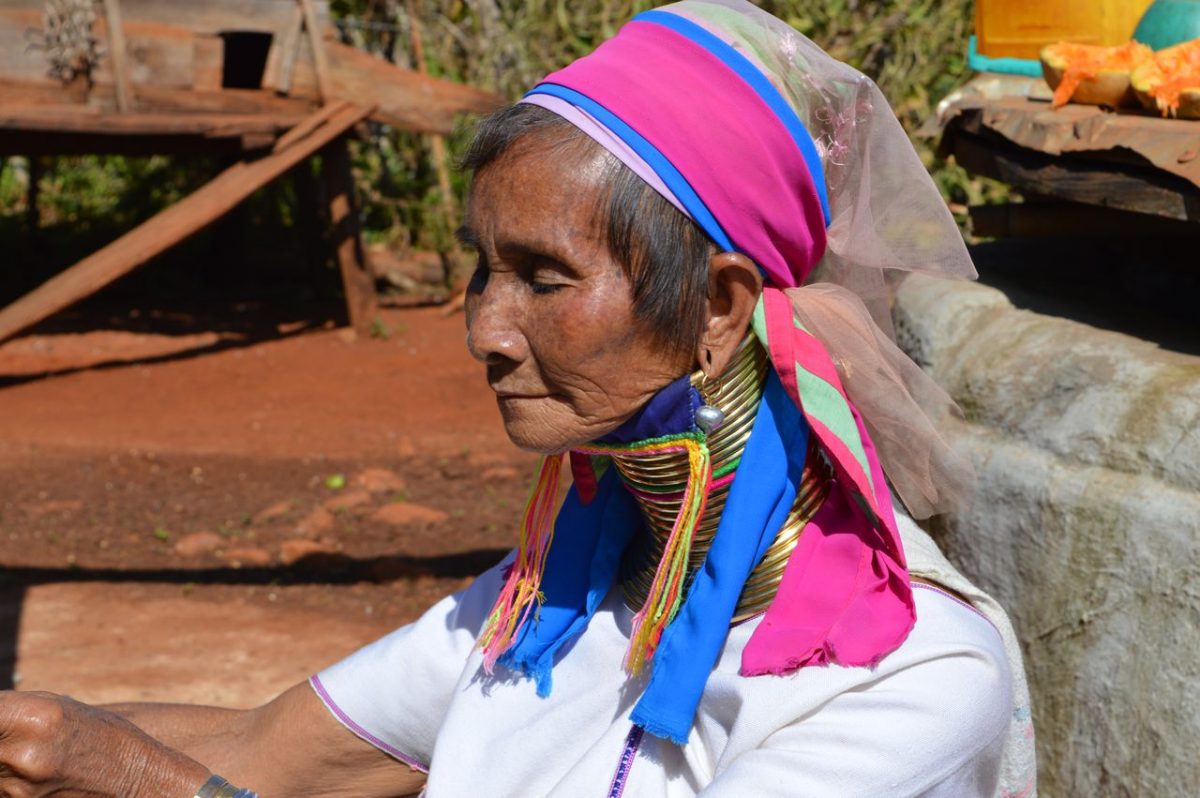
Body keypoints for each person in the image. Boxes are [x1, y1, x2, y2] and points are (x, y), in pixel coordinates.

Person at [0, 2, 1036, 796]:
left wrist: (149, 779)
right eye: (482, 271)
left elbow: (201, 772)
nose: (483, 331)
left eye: (543, 278)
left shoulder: (907, 678)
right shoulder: (561, 589)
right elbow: (274, 752)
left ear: (719, 309)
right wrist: (48, 735)